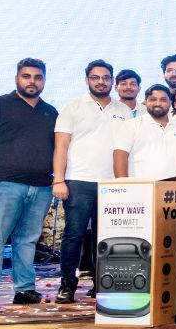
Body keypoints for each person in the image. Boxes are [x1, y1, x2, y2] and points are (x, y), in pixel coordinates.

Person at [0, 58, 58, 310]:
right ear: (17, 78)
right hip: (2, 185)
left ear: (44, 80)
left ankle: (24, 289)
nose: (32, 82)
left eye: (38, 77)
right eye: (26, 76)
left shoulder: (51, 112)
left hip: (41, 187)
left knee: (27, 240)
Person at [51, 59, 132, 303]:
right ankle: (67, 285)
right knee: (74, 235)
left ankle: (101, 283)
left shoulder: (123, 111)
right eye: (95, 77)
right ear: (87, 80)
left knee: (106, 237)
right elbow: (61, 147)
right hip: (79, 180)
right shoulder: (72, 108)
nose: (101, 82)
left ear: (112, 81)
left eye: (105, 77)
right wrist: (59, 180)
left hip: (113, 184)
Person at [113, 85, 176, 180]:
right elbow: (120, 155)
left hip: (175, 188)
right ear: (145, 102)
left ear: (170, 103)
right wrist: (124, 185)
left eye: (163, 100)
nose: (158, 103)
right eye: (153, 100)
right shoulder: (131, 125)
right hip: (141, 187)